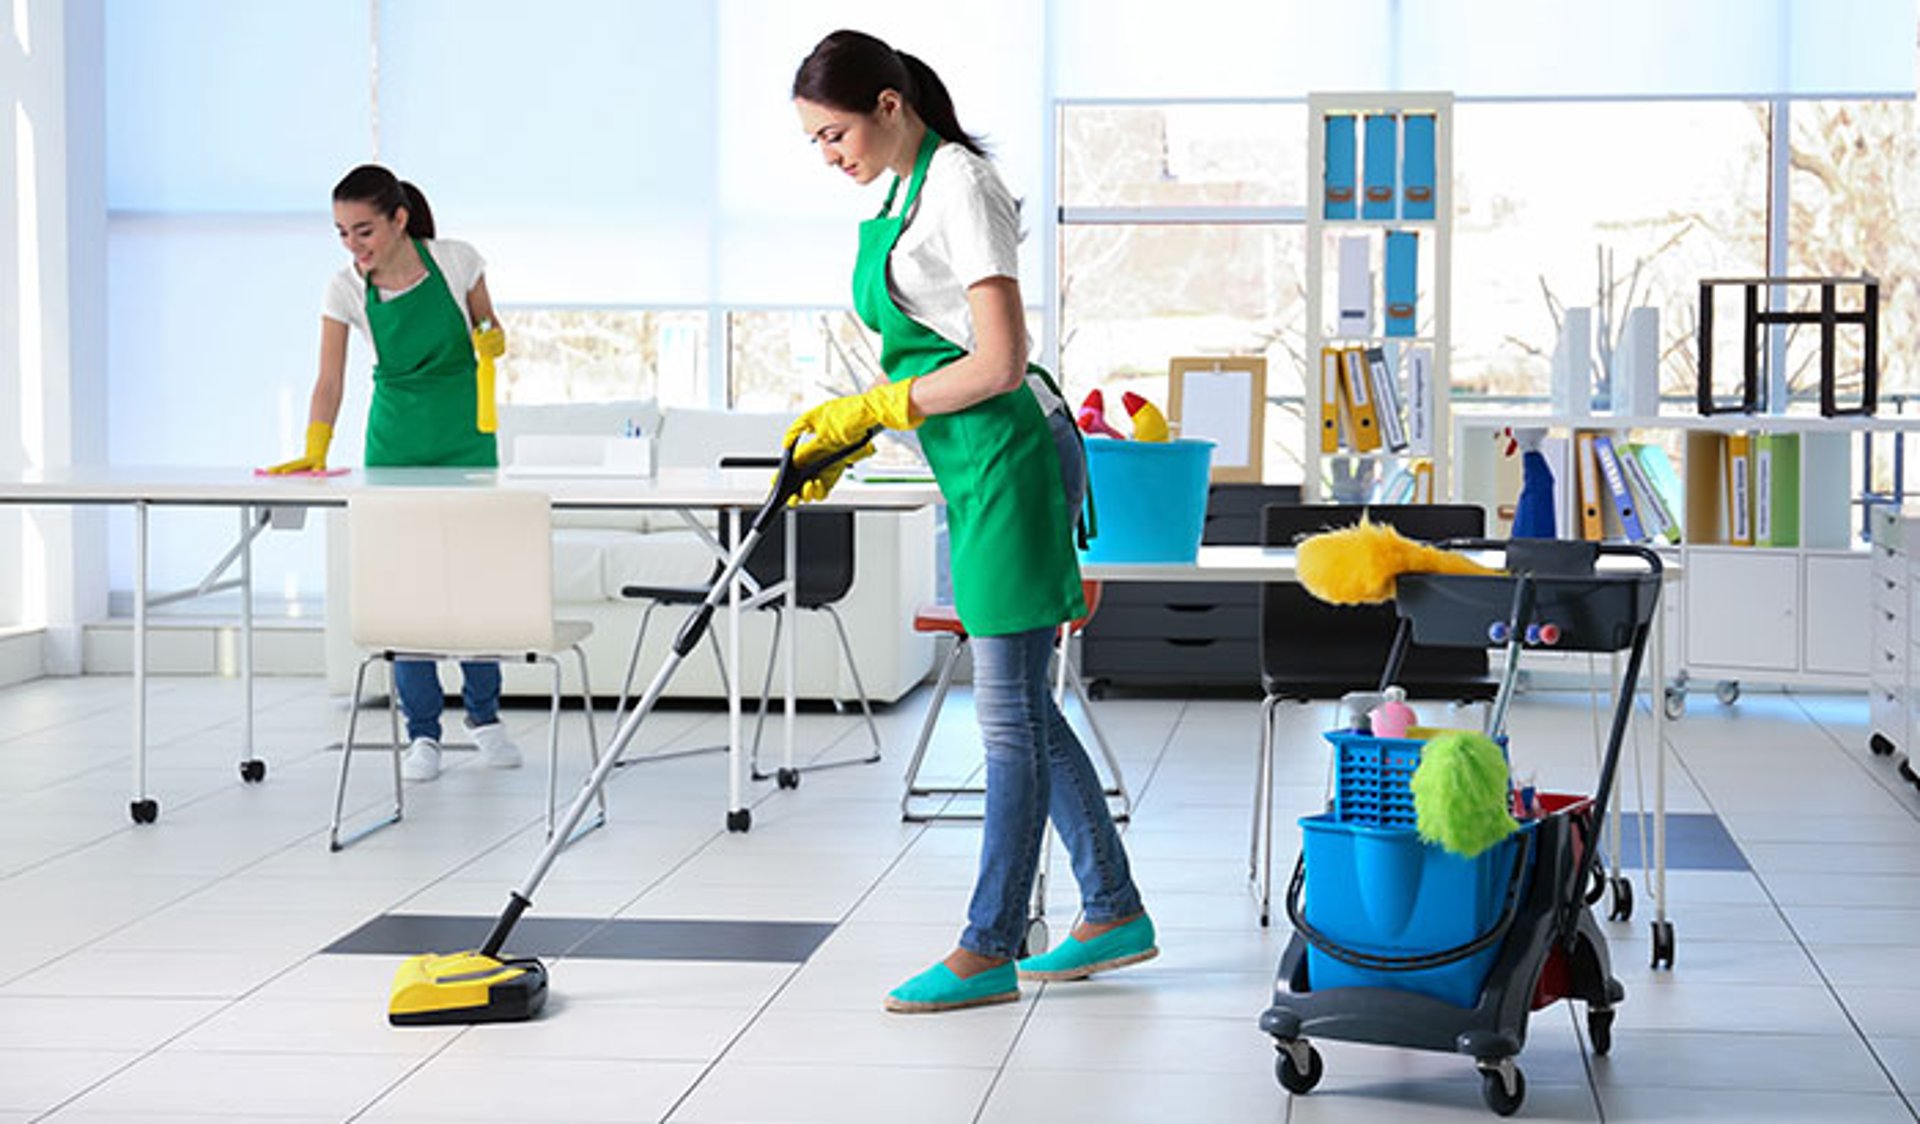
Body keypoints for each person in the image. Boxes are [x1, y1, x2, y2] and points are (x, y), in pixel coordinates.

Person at [788, 30, 1155, 1014]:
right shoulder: (894, 197)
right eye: (815, 141)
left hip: (1015, 455)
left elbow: (997, 361)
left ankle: (989, 943)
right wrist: (860, 431)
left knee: (1004, 716)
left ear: (889, 104)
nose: (828, 155)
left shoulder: (960, 183)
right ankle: (1113, 906)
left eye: (835, 133)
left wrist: (879, 407)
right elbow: (932, 354)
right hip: (971, 459)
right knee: (1020, 704)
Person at [266, 164, 520, 783]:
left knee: (473, 585)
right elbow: (329, 380)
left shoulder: (456, 261)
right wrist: (316, 446)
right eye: (342, 233)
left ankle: (484, 718)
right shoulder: (344, 290)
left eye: (365, 231)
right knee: (410, 591)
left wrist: (492, 340)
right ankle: (423, 733)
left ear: (399, 219)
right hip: (396, 444)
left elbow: (488, 328)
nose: (354, 246)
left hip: (466, 440)